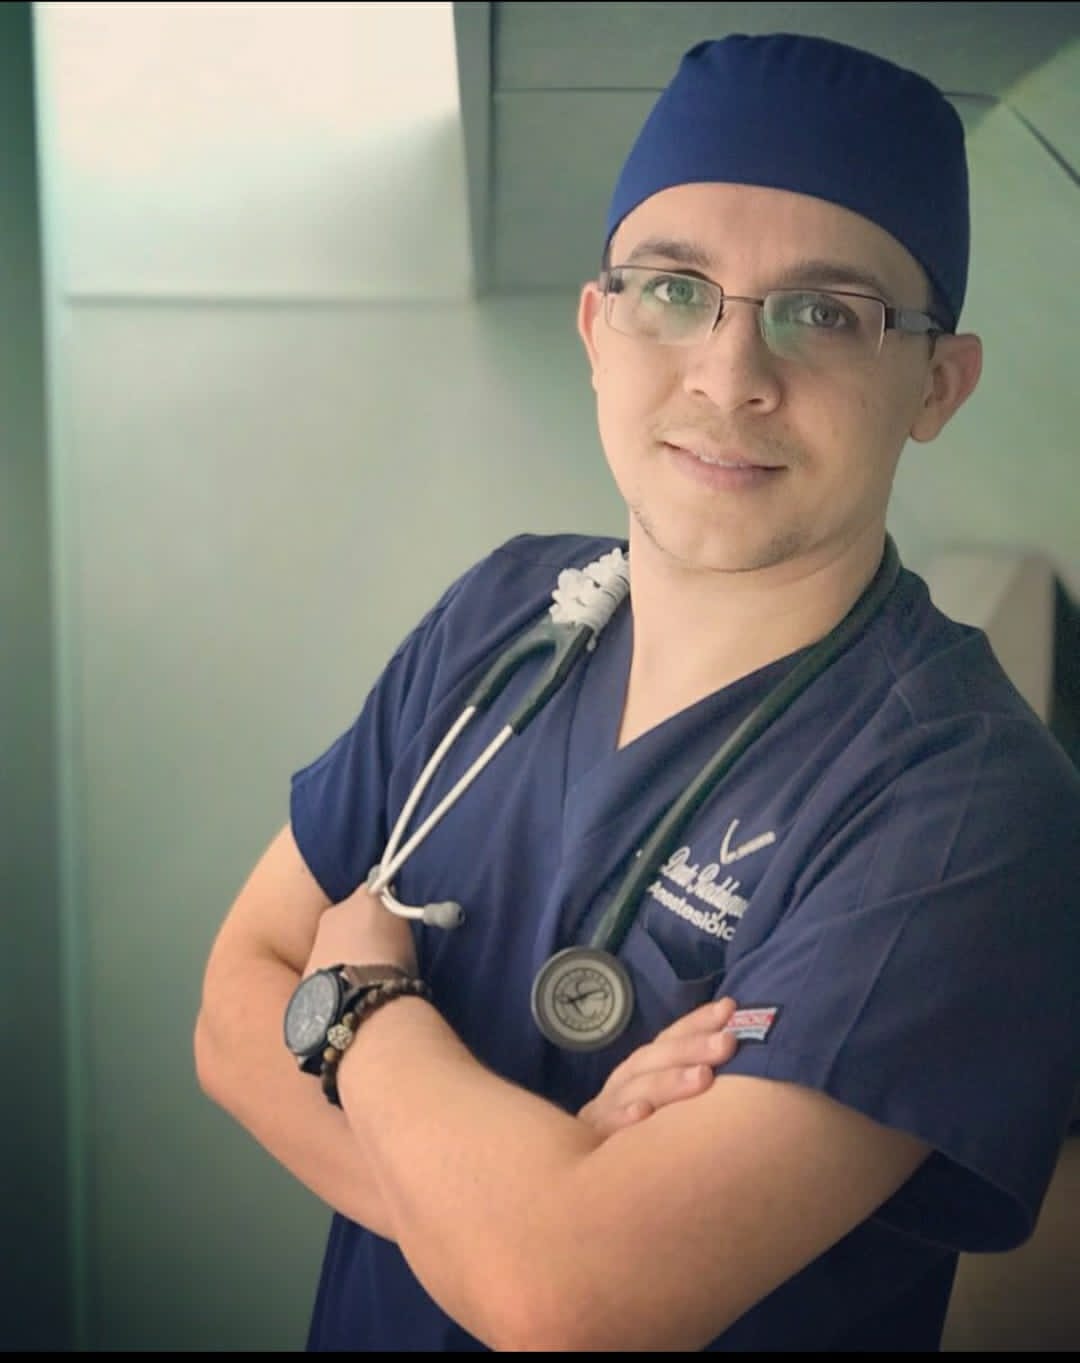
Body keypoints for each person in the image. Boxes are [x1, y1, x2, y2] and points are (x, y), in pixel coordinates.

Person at [194, 31, 1080, 1352]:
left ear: (936, 385)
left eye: (825, 314)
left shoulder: (968, 807)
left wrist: (360, 1005)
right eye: (673, 289)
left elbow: (571, 1305)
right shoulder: (502, 615)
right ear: (598, 329)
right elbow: (229, 1012)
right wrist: (512, 1215)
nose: (731, 377)